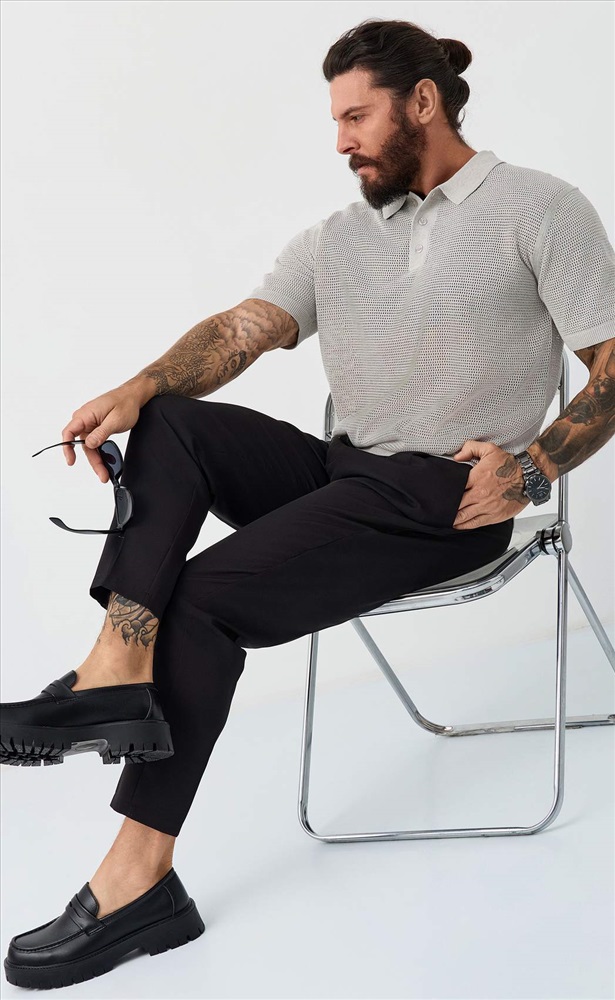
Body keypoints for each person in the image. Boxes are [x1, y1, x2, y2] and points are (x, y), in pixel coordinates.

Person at [3, 16, 614, 992]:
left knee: (203, 601)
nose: (340, 141)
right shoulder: (339, 237)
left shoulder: (539, 208)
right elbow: (243, 328)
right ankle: (116, 662)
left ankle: (137, 882)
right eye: (335, 121)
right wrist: (138, 385)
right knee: (173, 421)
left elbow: (613, 364)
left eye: (356, 117)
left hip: (445, 498)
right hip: (347, 474)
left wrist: (535, 468)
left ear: (423, 103)